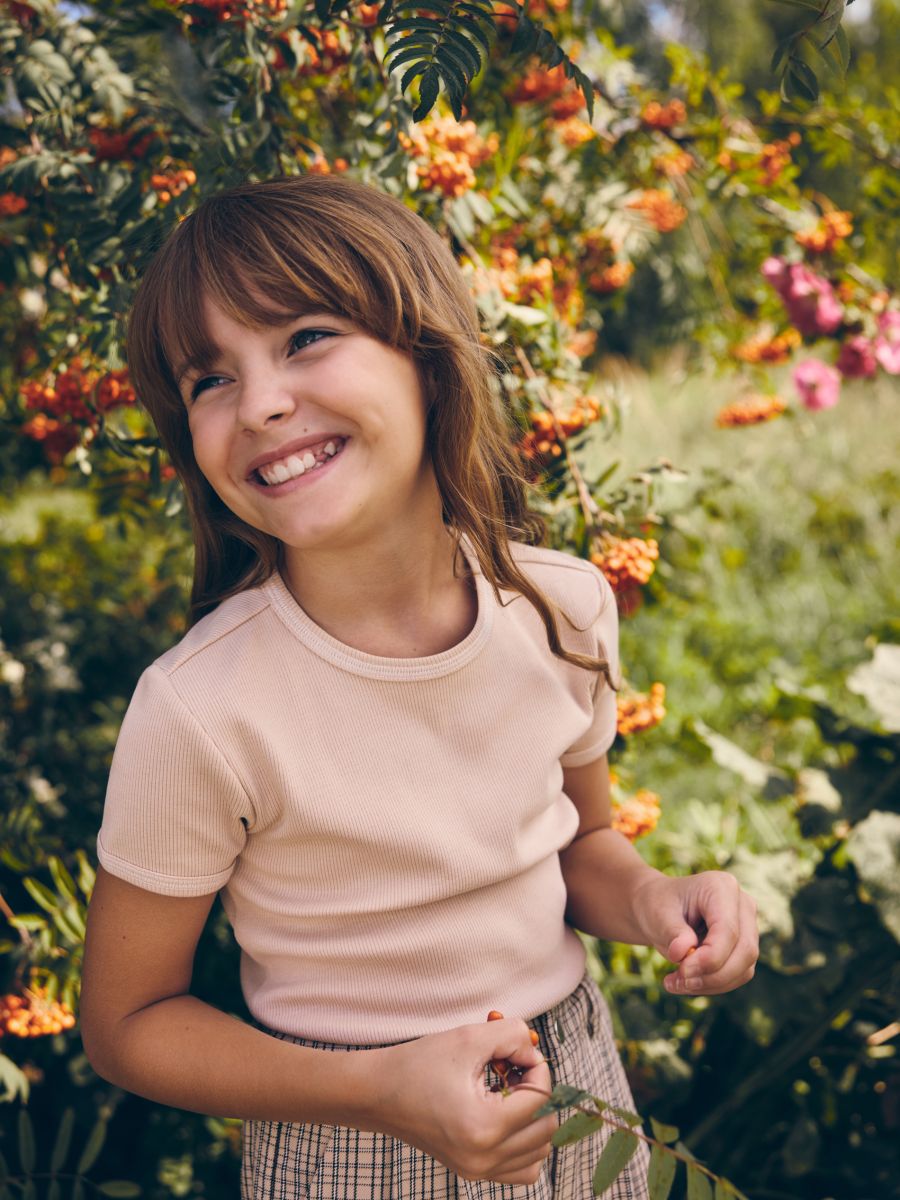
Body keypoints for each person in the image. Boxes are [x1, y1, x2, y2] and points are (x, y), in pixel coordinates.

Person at [80, 173, 759, 1200]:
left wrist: (659, 900)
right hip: (348, 1139)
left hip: (579, 1099)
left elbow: (581, 846)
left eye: (307, 336)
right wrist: (383, 1089)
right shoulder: (200, 709)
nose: (261, 402)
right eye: (208, 379)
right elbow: (127, 1025)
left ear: (429, 359)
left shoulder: (560, 608)